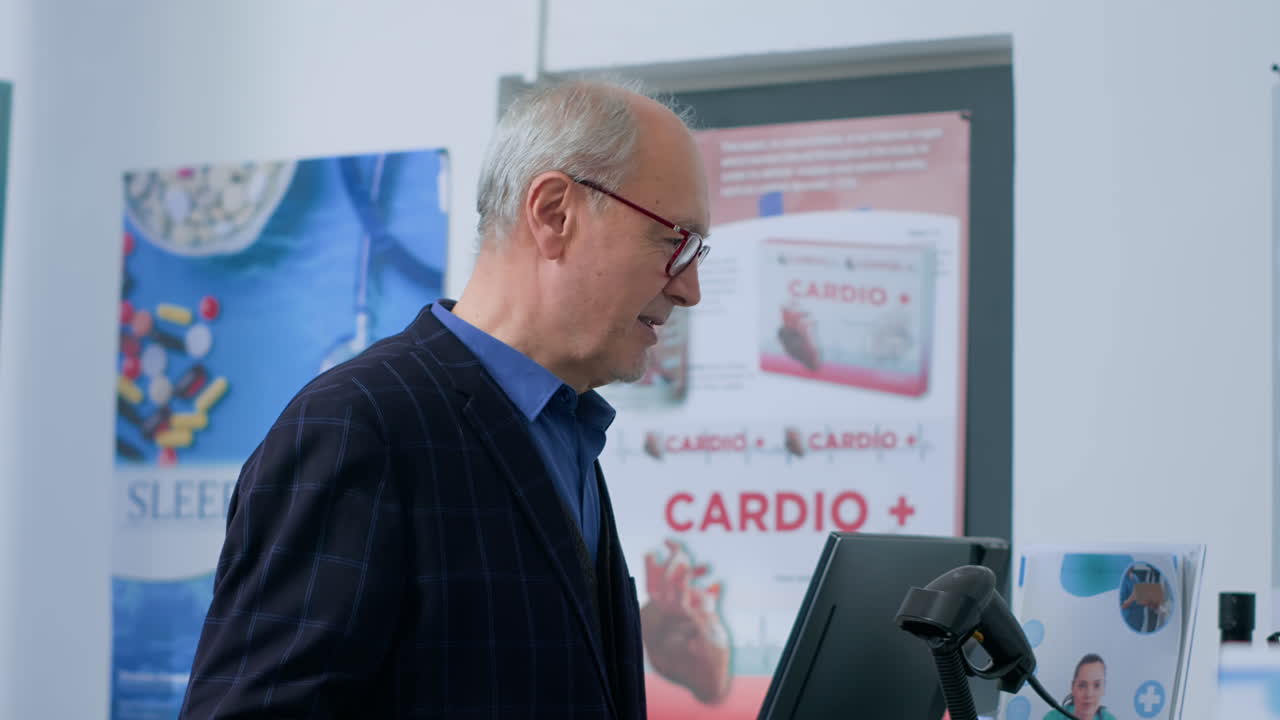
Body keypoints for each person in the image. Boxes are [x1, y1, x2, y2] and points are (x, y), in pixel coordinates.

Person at [178, 78, 710, 719]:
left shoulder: (567, 436)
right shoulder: (358, 428)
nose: (690, 289)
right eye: (673, 240)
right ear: (554, 214)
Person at [1043, 654, 1116, 720]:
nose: (1089, 694)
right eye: (1082, 685)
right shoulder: (1053, 718)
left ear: (1103, 688)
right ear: (1073, 687)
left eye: (1096, 685)